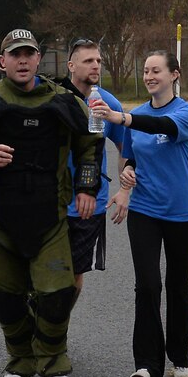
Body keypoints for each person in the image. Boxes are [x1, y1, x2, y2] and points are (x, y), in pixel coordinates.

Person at [0, 28, 102, 377]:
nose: (23, 60)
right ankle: (21, 359)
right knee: (3, 295)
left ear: (38, 58)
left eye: (29, 53)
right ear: (2, 61)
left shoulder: (63, 99)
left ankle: (53, 360)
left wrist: (87, 187)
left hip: (50, 219)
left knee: (58, 293)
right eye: (15, 54)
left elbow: (91, 142)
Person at [90, 50, 188, 377]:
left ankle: (180, 357)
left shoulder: (186, 112)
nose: (150, 76)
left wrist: (121, 118)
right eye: (145, 71)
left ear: (174, 75)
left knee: (178, 285)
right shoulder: (137, 115)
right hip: (145, 212)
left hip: (183, 213)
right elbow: (134, 157)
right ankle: (148, 364)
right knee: (148, 285)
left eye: (156, 71)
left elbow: (162, 126)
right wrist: (127, 177)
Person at [60, 40, 130, 309]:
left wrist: (124, 189)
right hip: (53, 199)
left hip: (89, 204)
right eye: (88, 60)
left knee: (74, 274)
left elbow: (126, 148)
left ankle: (57, 329)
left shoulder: (106, 103)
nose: (96, 65)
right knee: (45, 271)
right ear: (71, 65)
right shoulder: (55, 98)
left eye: (98, 61)